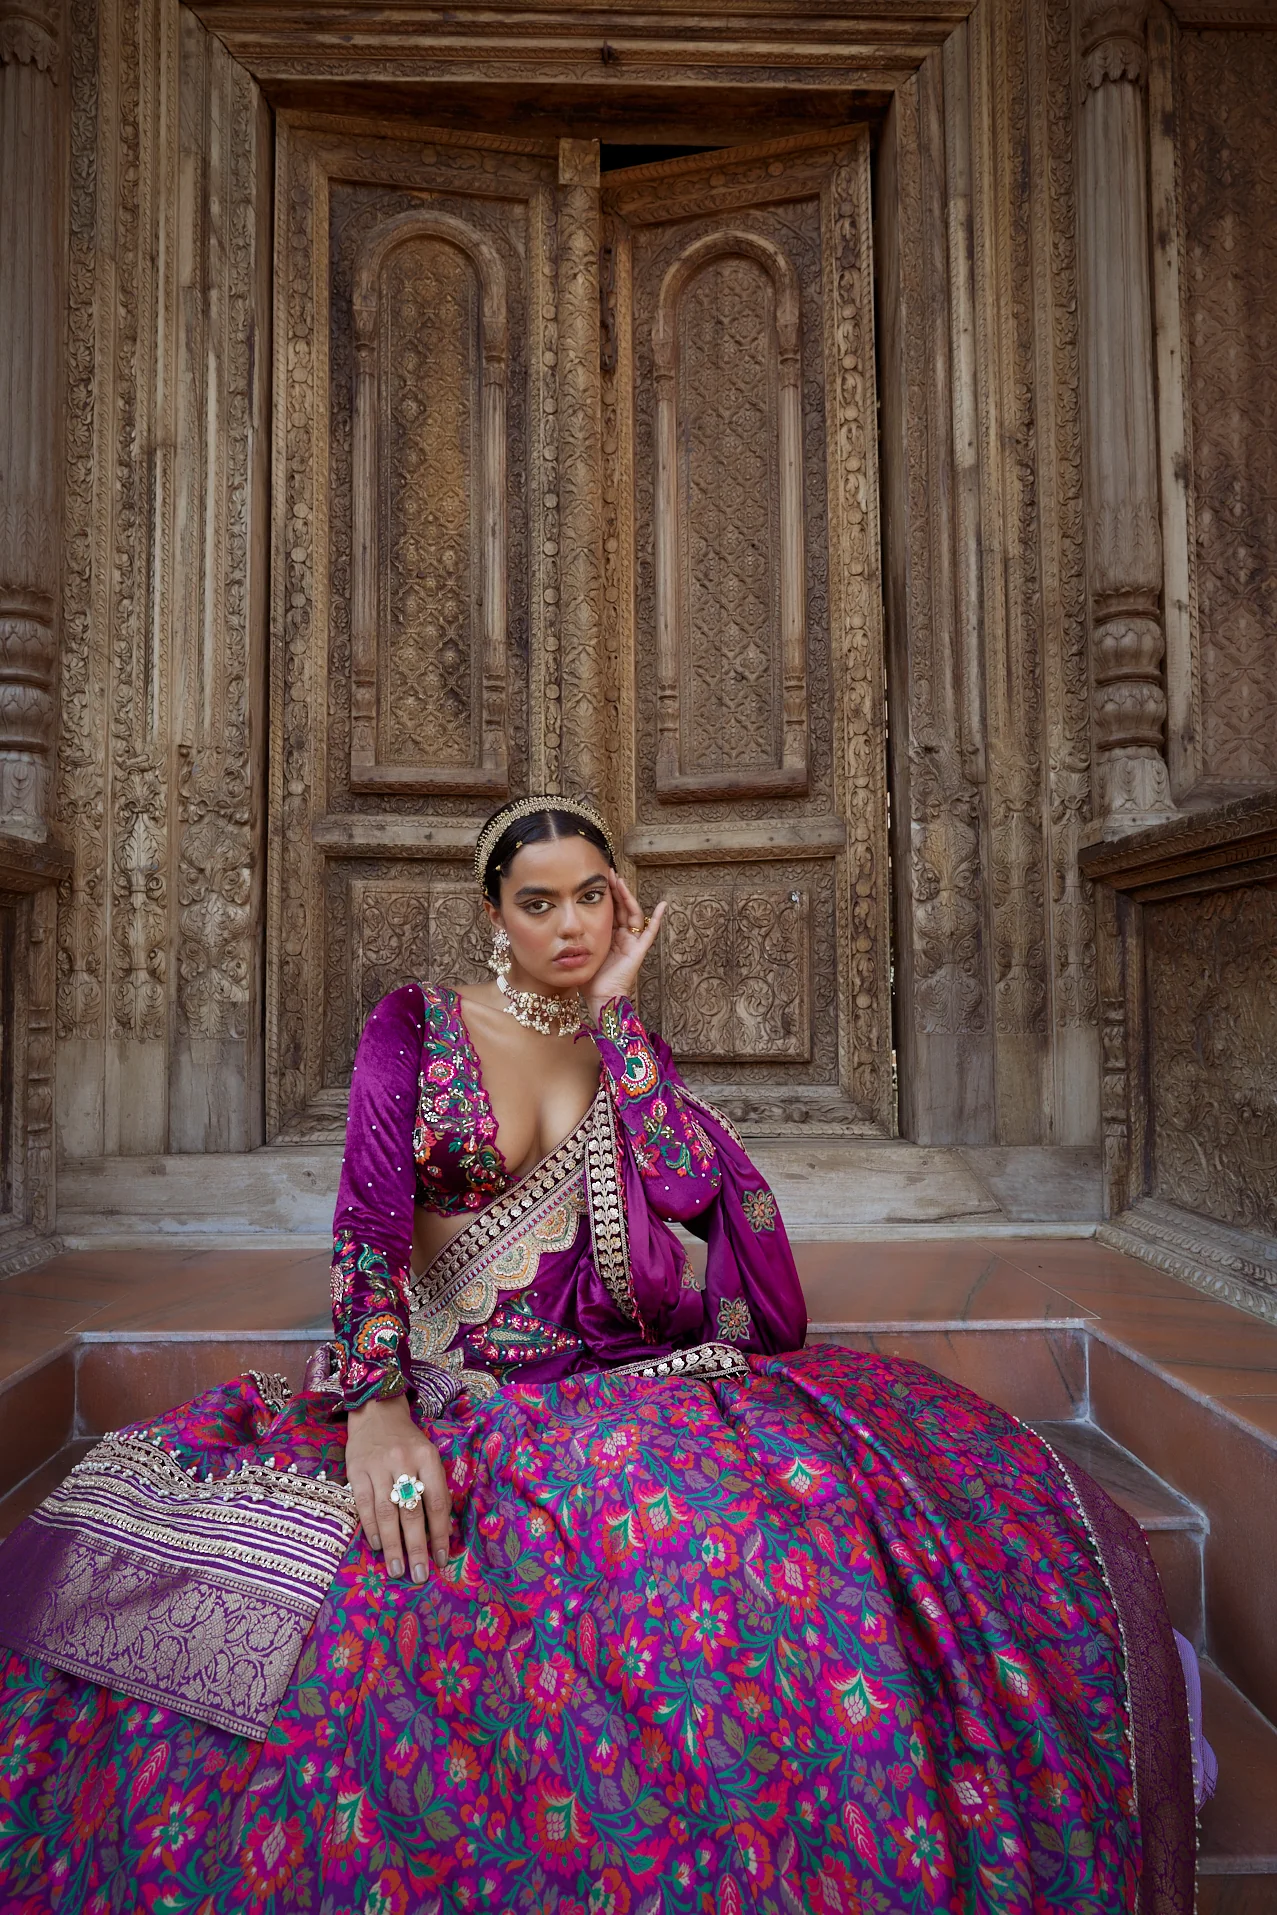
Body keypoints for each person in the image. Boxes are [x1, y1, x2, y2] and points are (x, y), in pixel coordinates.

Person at [0, 795, 1200, 1914]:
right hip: (445, 1392)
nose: (568, 925)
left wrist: (620, 1015)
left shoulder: (624, 1046)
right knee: (378, 1609)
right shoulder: (414, 1026)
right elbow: (367, 1223)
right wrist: (375, 1411)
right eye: (539, 902)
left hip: (608, 1388)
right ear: (492, 913)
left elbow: (689, 1188)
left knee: (775, 1549)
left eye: (591, 898)